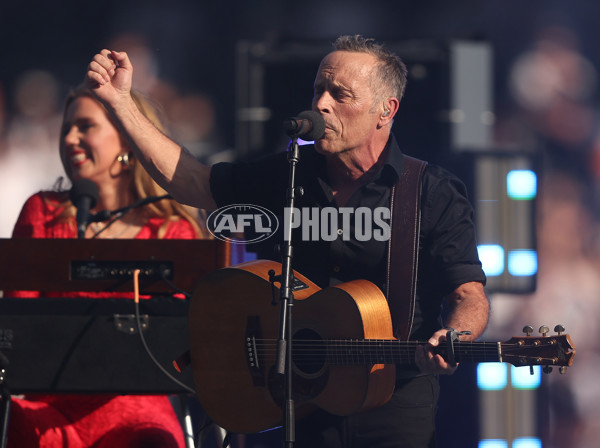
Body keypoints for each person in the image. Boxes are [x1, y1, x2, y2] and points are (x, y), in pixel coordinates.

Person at [85, 35, 489, 447]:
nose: (321, 104)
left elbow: (468, 292)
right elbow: (194, 182)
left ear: (386, 110)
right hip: (296, 398)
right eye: (319, 90)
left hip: (392, 405)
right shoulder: (291, 172)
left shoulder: (430, 192)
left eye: (339, 94)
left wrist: (456, 335)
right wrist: (121, 104)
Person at [6, 85, 206, 448]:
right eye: (66, 128)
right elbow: (19, 328)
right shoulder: (43, 213)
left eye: (85, 126)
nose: (70, 138)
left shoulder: (171, 231)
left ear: (129, 141)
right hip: (47, 408)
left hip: (138, 413)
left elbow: (178, 349)